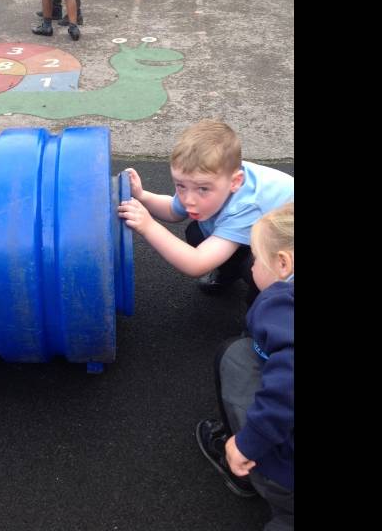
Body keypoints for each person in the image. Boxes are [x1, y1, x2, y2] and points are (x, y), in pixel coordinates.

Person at [117, 120, 293, 306]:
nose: (189, 199)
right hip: (262, 232)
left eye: (203, 189)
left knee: (258, 269)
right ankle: (229, 272)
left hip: (286, 248)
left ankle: (265, 310)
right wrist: (142, 195)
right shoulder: (208, 178)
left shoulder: (246, 206)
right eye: (180, 185)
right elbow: (172, 211)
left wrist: (148, 226)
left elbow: (197, 263)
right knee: (197, 233)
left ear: (235, 182)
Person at [195, 202, 294, 530]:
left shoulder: (282, 304)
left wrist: (249, 442)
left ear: (283, 263)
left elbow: (288, 385)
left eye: (256, 257)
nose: (251, 267)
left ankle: (247, 471)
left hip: (286, 476)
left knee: (235, 355)